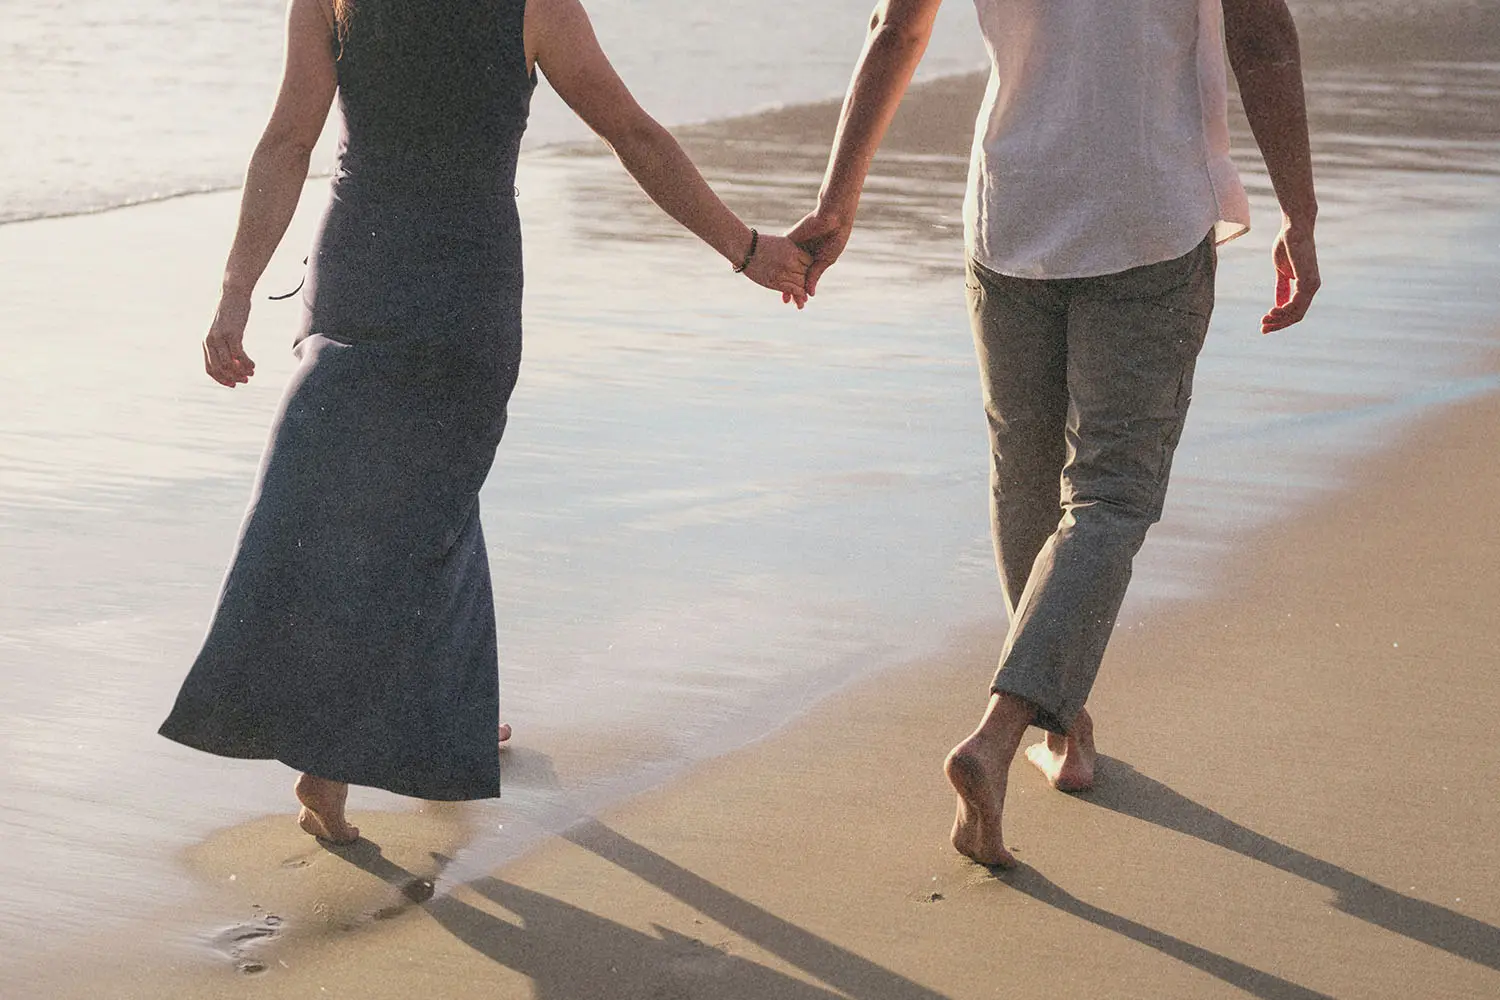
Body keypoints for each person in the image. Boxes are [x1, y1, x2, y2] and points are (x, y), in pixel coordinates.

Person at [159, 0, 810, 845]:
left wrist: (238, 290)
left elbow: (289, 142)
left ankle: (435, 723)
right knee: (430, 494)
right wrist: (746, 249)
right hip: (463, 285)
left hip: (364, 265)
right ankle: (339, 757)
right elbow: (633, 135)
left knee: (391, 493)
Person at [788, 0, 1320, 866]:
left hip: (1011, 212)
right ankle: (1002, 734)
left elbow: (898, 28)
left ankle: (1064, 729)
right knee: (1109, 497)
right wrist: (1299, 214)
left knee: (1025, 480)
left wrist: (837, 200)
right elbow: (1262, 37)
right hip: (1147, 215)